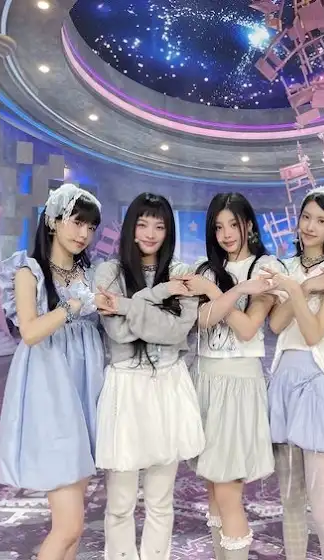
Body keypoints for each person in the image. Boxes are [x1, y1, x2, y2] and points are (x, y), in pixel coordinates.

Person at [0, 184, 116, 560]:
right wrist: (73, 306)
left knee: (73, 525)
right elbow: (30, 331)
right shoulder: (29, 271)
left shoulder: (90, 273)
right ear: (52, 220)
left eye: (90, 227)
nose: (84, 234)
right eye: (77, 223)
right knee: (69, 526)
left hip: (85, 388)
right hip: (50, 390)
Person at [93, 193, 205, 560]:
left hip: (167, 384)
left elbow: (177, 331)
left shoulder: (182, 273)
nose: (151, 233)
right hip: (126, 385)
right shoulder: (109, 273)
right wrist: (159, 298)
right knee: (120, 501)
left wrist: (127, 306)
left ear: (169, 230)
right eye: (142, 224)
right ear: (130, 228)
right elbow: (118, 333)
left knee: (160, 500)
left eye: (159, 225)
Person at [180, 193, 281, 560]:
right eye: (218, 227)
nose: (226, 234)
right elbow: (201, 321)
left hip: (239, 383)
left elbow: (249, 328)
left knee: (227, 491)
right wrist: (235, 291)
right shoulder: (206, 269)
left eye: (233, 225)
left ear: (248, 225)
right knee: (214, 489)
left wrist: (214, 294)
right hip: (205, 378)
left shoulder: (266, 267)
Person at [262, 186, 324, 560]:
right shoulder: (287, 267)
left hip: (318, 385)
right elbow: (276, 324)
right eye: (306, 217)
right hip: (284, 380)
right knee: (291, 503)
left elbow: (314, 333)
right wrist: (304, 285)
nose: (310, 226)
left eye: (322, 220)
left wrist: (298, 290)